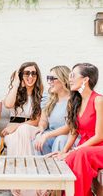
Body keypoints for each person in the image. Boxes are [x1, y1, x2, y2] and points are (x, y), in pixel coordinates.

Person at [52, 63, 103, 196]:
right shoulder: (76, 101)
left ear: (85, 79)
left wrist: (73, 150)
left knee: (79, 155)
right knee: (67, 159)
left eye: (73, 75)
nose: (69, 78)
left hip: (98, 147)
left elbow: (99, 136)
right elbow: (74, 131)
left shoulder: (98, 100)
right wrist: (63, 152)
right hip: (85, 148)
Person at [2, 62, 43, 156]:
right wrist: (16, 84)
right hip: (12, 130)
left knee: (23, 129)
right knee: (13, 140)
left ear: (37, 76)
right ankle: (19, 168)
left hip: (30, 128)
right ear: (21, 75)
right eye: (27, 73)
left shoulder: (40, 95)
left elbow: (36, 121)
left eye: (33, 73)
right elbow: (8, 104)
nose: (30, 76)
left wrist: (17, 127)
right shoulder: (14, 92)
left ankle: (25, 166)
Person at [34, 65, 71, 155]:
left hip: (68, 136)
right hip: (52, 134)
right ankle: (43, 168)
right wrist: (42, 128)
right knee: (39, 141)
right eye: (48, 78)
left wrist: (47, 135)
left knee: (60, 140)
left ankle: (60, 167)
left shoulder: (73, 100)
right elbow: (43, 120)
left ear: (63, 80)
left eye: (52, 78)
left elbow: (68, 127)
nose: (49, 82)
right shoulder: (49, 98)